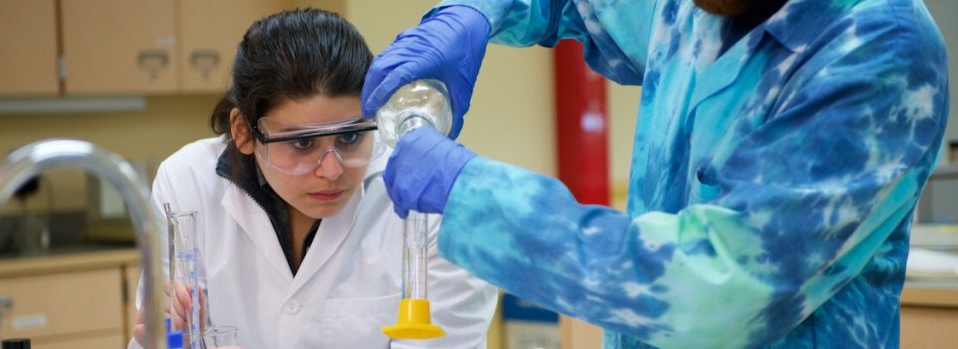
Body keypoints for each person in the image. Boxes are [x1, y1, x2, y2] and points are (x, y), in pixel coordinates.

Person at [361, 0, 948, 348]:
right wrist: (477, 12)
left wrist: (470, 194)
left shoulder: (877, 49)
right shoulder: (701, 7)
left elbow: (712, 288)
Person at [128, 8, 497, 349]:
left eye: (351, 137)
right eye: (302, 143)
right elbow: (166, 329)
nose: (332, 170)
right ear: (243, 131)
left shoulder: (432, 204)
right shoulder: (187, 183)